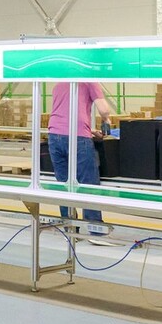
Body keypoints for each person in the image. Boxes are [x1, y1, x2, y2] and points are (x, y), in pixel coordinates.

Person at [46, 80, 113, 235]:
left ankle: (70, 228)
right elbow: (104, 109)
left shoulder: (59, 83)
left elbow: (66, 114)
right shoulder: (90, 81)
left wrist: (90, 130)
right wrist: (106, 120)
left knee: (64, 184)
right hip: (78, 137)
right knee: (88, 183)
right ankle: (95, 231)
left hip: (54, 136)